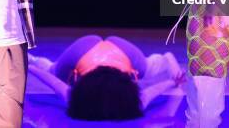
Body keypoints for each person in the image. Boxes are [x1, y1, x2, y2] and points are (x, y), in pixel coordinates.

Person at [27, 35, 185, 121]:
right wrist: (30, 68)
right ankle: (164, 59)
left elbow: (153, 91)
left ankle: (164, 59)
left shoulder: (134, 103)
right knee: (51, 70)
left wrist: (172, 81)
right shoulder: (75, 99)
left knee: (52, 69)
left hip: (103, 50)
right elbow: (50, 80)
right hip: (93, 51)